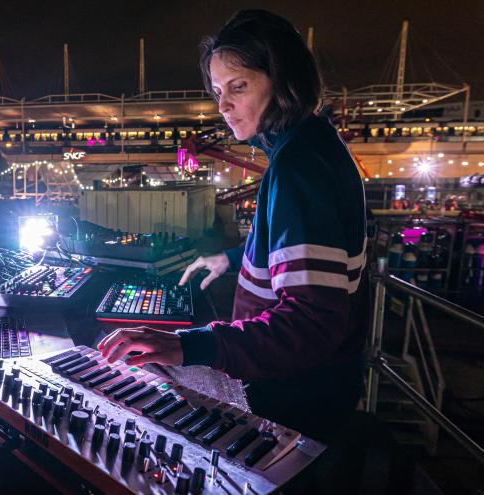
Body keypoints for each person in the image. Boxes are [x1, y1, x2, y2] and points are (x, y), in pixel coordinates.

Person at [99, 9, 368, 448]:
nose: (223, 106)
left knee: (135, 385)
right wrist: (230, 257)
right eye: (220, 91)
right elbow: (306, 251)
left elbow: (310, 324)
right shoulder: (314, 143)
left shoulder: (298, 167)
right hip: (321, 383)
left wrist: (189, 346)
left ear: (284, 81)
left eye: (238, 88)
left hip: (292, 395)